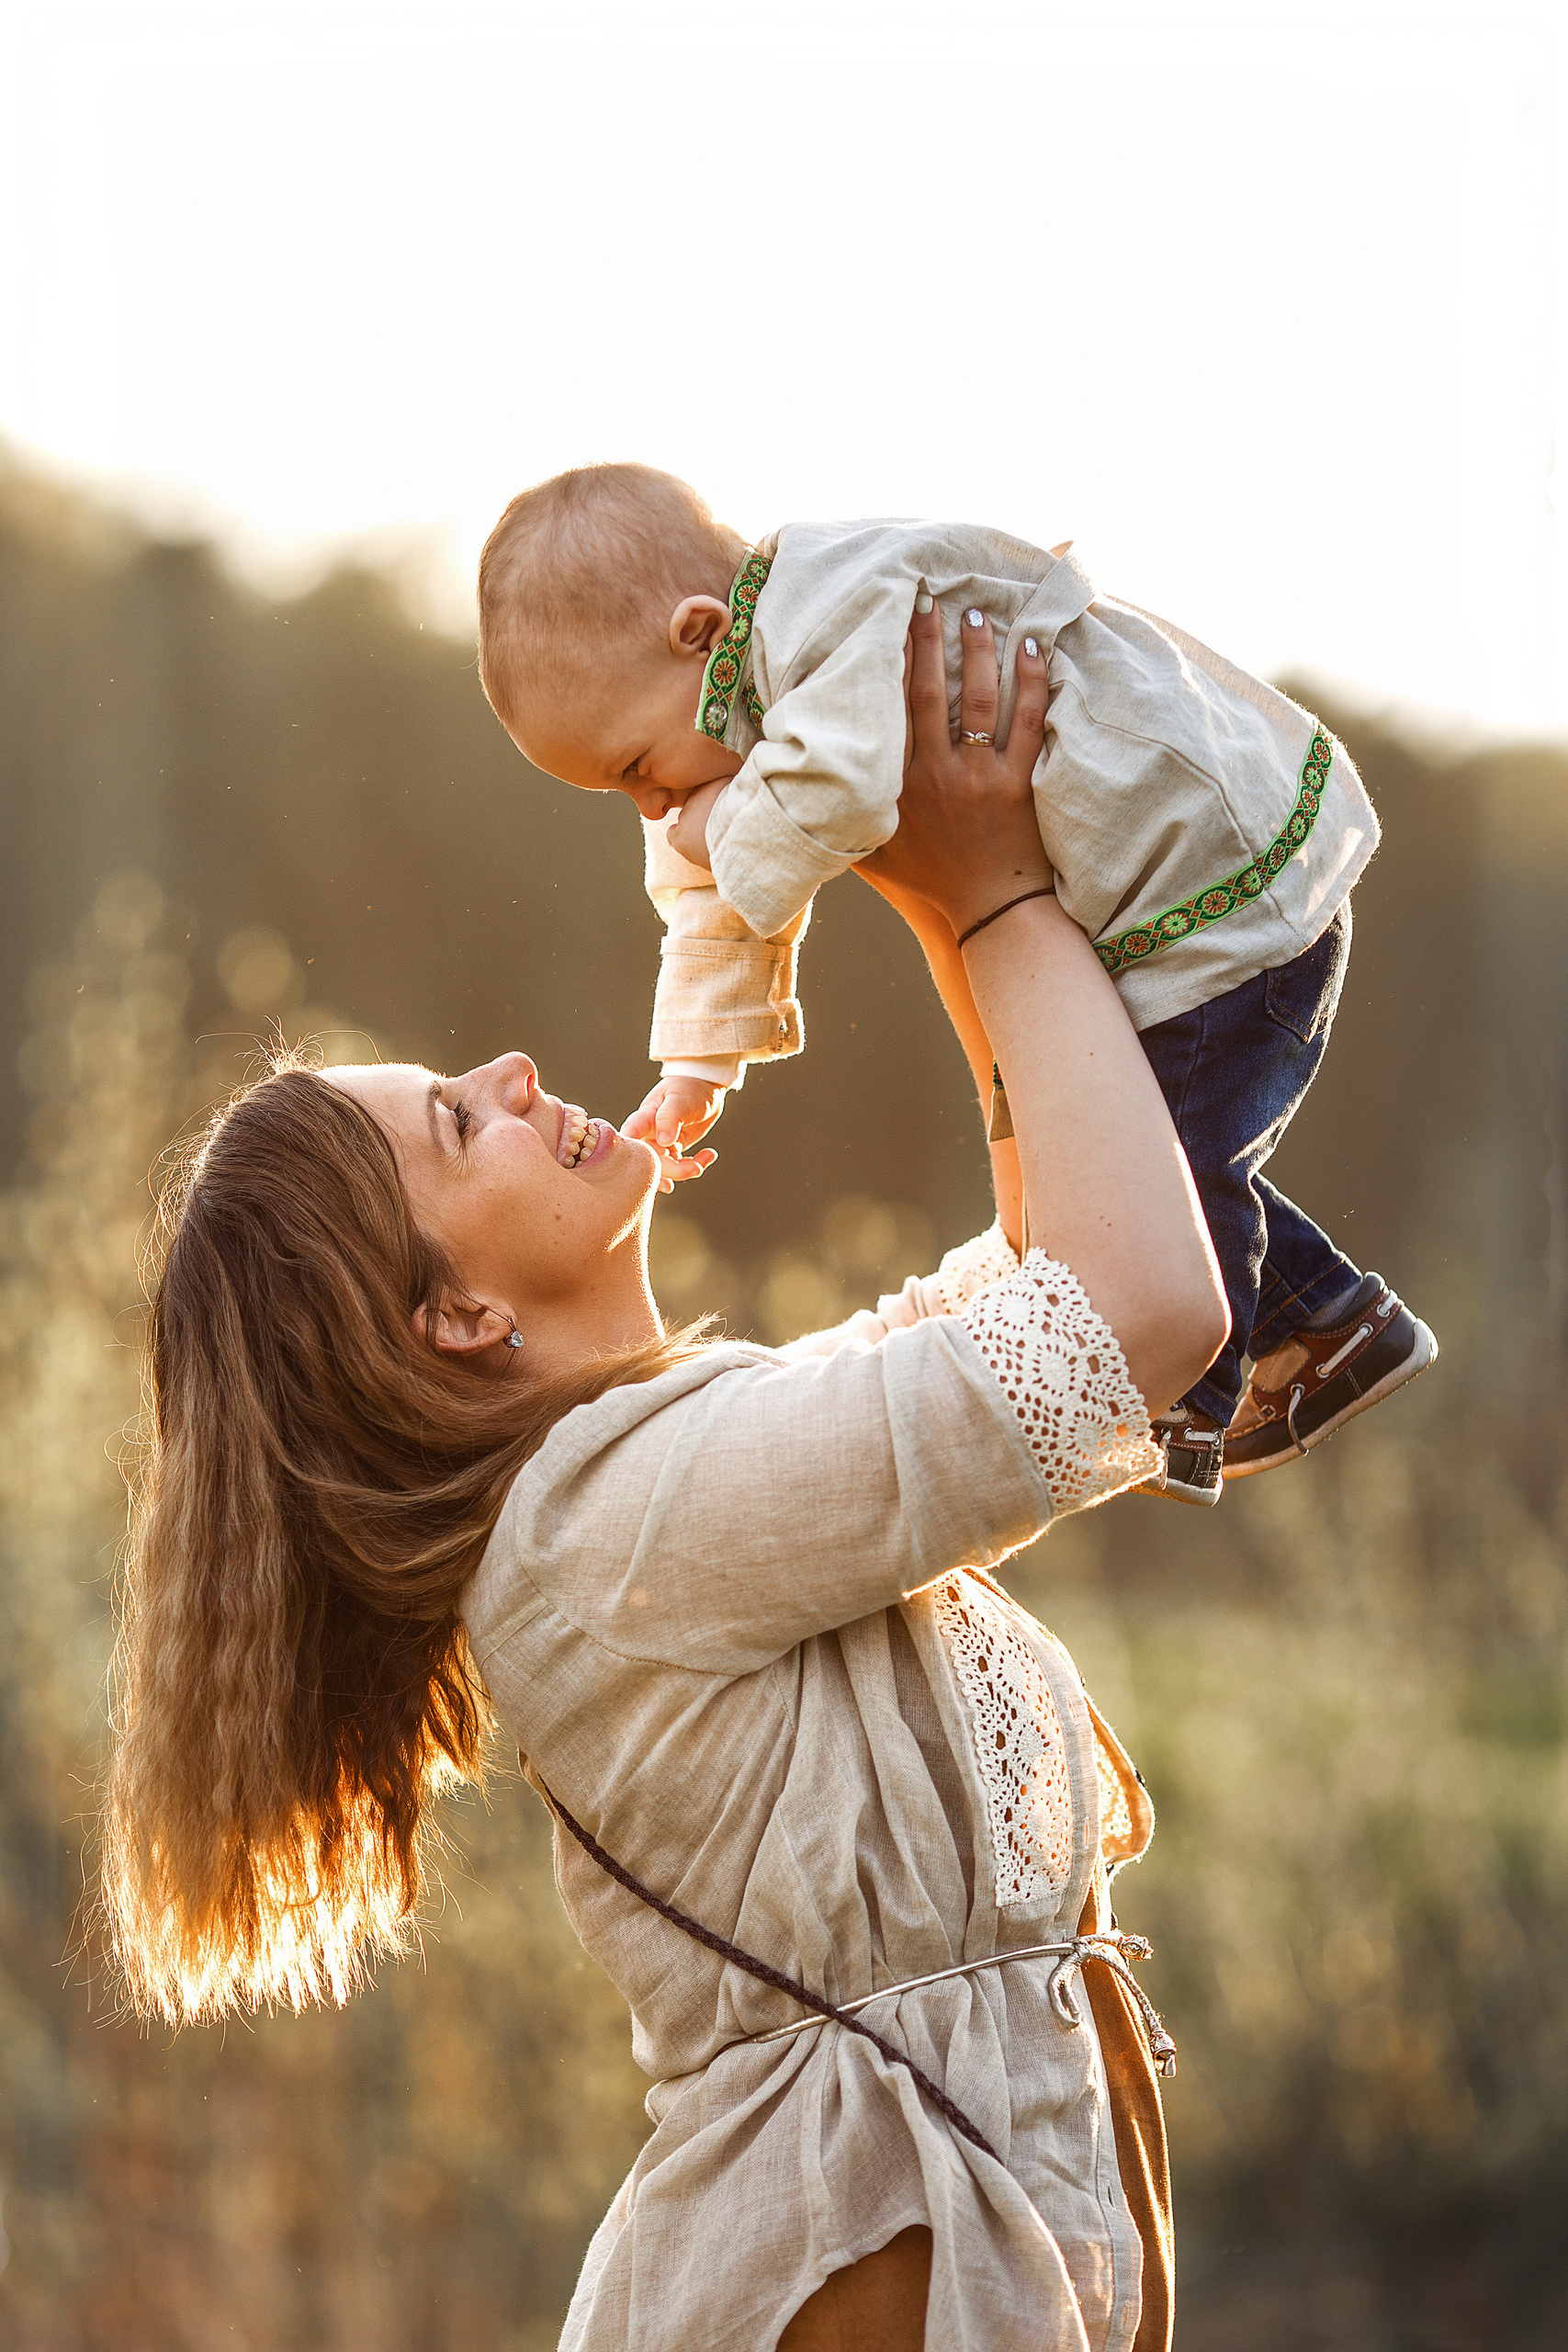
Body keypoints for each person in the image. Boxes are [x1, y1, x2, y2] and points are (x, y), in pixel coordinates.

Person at [105, 608, 1229, 2351]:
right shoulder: (623, 1522)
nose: (516, 1074)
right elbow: (1134, 1308)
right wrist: (997, 891)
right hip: (869, 2250)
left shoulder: (663, 1466)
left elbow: (1036, 1271)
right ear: (460, 1315)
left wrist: (926, 871)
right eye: (457, 1125)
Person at [475, 464, 1437, 1502]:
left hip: (1225, 891)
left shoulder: (831, 613)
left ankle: (1179, 1402)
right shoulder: (721, 706)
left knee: (1152, 1156)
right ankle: (1339, 1322)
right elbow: (709, 880)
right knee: (1139, 1153)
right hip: (1146, 917)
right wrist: (695, 1065)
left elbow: (835, 791)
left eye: (635, 768)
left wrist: (714, 822)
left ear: (699, 632)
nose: (655, 804)